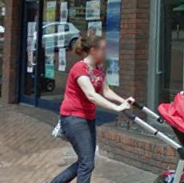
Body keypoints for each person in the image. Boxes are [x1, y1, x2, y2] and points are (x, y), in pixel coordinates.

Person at [47, 32, 133, 183]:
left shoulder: (98, 67)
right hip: (73, 119)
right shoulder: (79, 69)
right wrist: (116, 108)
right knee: (86, 162)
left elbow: (106, 91)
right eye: (103, 49)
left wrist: (123, 101)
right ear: (93, 50)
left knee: (85, 161)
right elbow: (91, 95)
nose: (105, 52)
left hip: (87, 118)